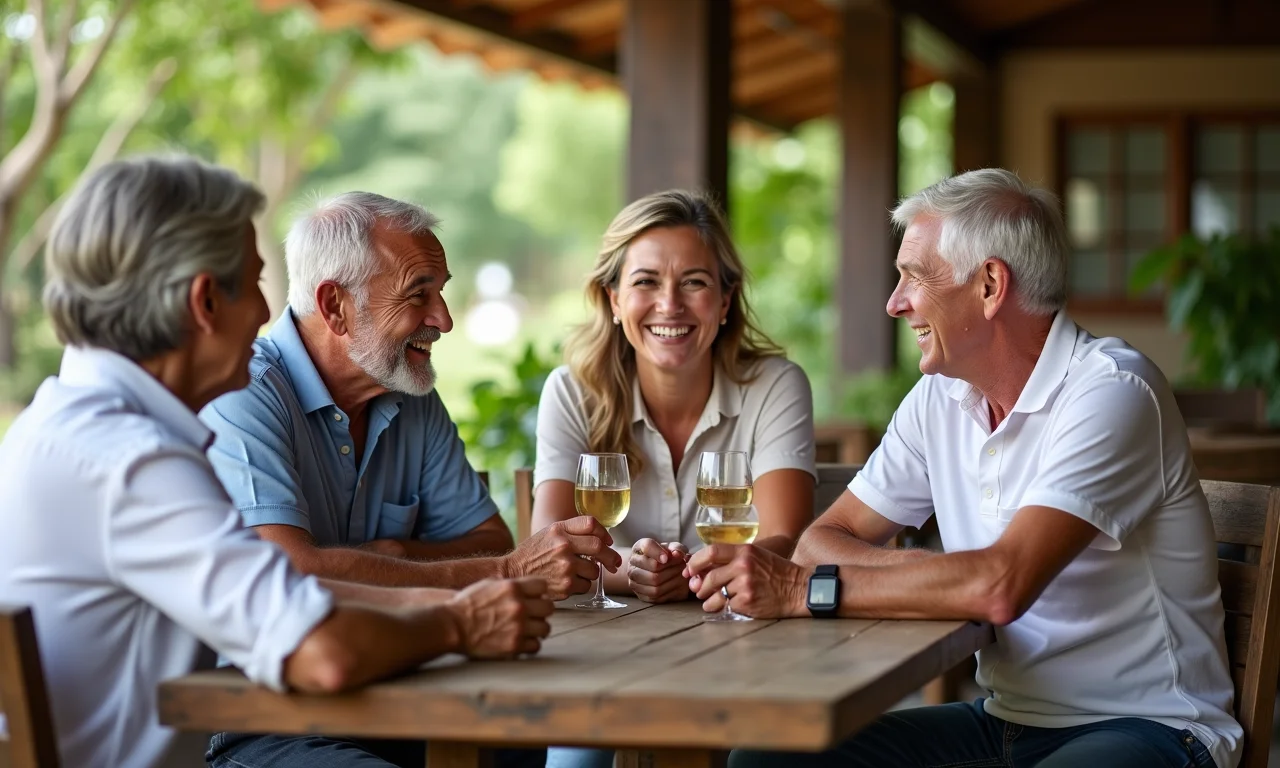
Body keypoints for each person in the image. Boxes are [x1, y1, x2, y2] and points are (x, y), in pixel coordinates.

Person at [0, 155, 552, 768]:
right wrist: (459, 624)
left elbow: (291, 589)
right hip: (227, 743)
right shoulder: (131, 460)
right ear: (205, 301)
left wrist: (438, 598)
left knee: (513, 752)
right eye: (256, 283)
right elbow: (323, 650)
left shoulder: (76, 423)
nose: (268, 316)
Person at [685, 169, 1241, 768]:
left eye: (913, 278)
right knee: (766, 761)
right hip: (1002, 720)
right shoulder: (939, 397)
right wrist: (940, 575)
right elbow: (821, 541)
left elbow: (999, 586)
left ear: (990, 285)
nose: (895, 303)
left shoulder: (1113, 392)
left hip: (1152, 726)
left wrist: (802, 592)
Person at [197, 191, 616, 767]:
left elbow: (487, 537)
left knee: (534, 750)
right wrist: (502, 572)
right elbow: (291, 571)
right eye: (419, 293)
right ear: (336, 306)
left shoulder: (408, 388)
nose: (443, 318)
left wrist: (390, 554)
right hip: (267, 716)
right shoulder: (244, 393)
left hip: (408, 690)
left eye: (441, 291)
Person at [532, 189, 816, 768]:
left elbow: (783, 541)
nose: (670, 305)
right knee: (574, 760)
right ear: (612, 299)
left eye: (693, 282)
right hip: (601, 656)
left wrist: (685, 578)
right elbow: (550, 546)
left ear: (727, 299)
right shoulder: (571, 391)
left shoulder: (776, 386)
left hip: (745, 651)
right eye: (645, 282)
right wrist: (635, 574)